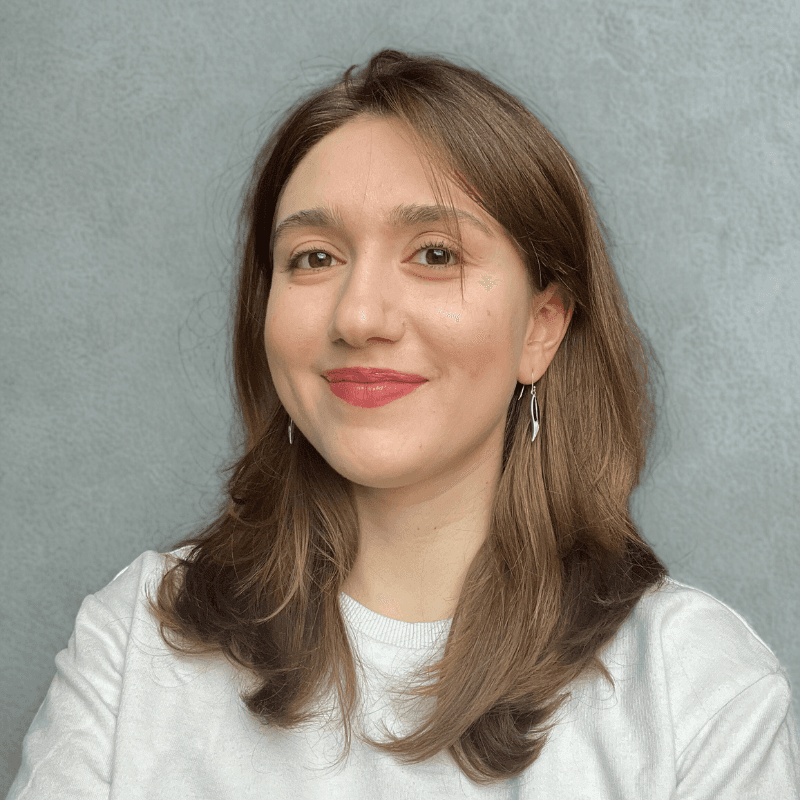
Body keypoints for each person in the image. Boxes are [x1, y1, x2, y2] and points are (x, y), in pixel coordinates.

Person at [8, 49, 799, 798]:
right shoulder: (137, 638)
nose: (358, 316)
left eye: (433, 254)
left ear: (542, 327)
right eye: (313, 258)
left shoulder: (694, 683)